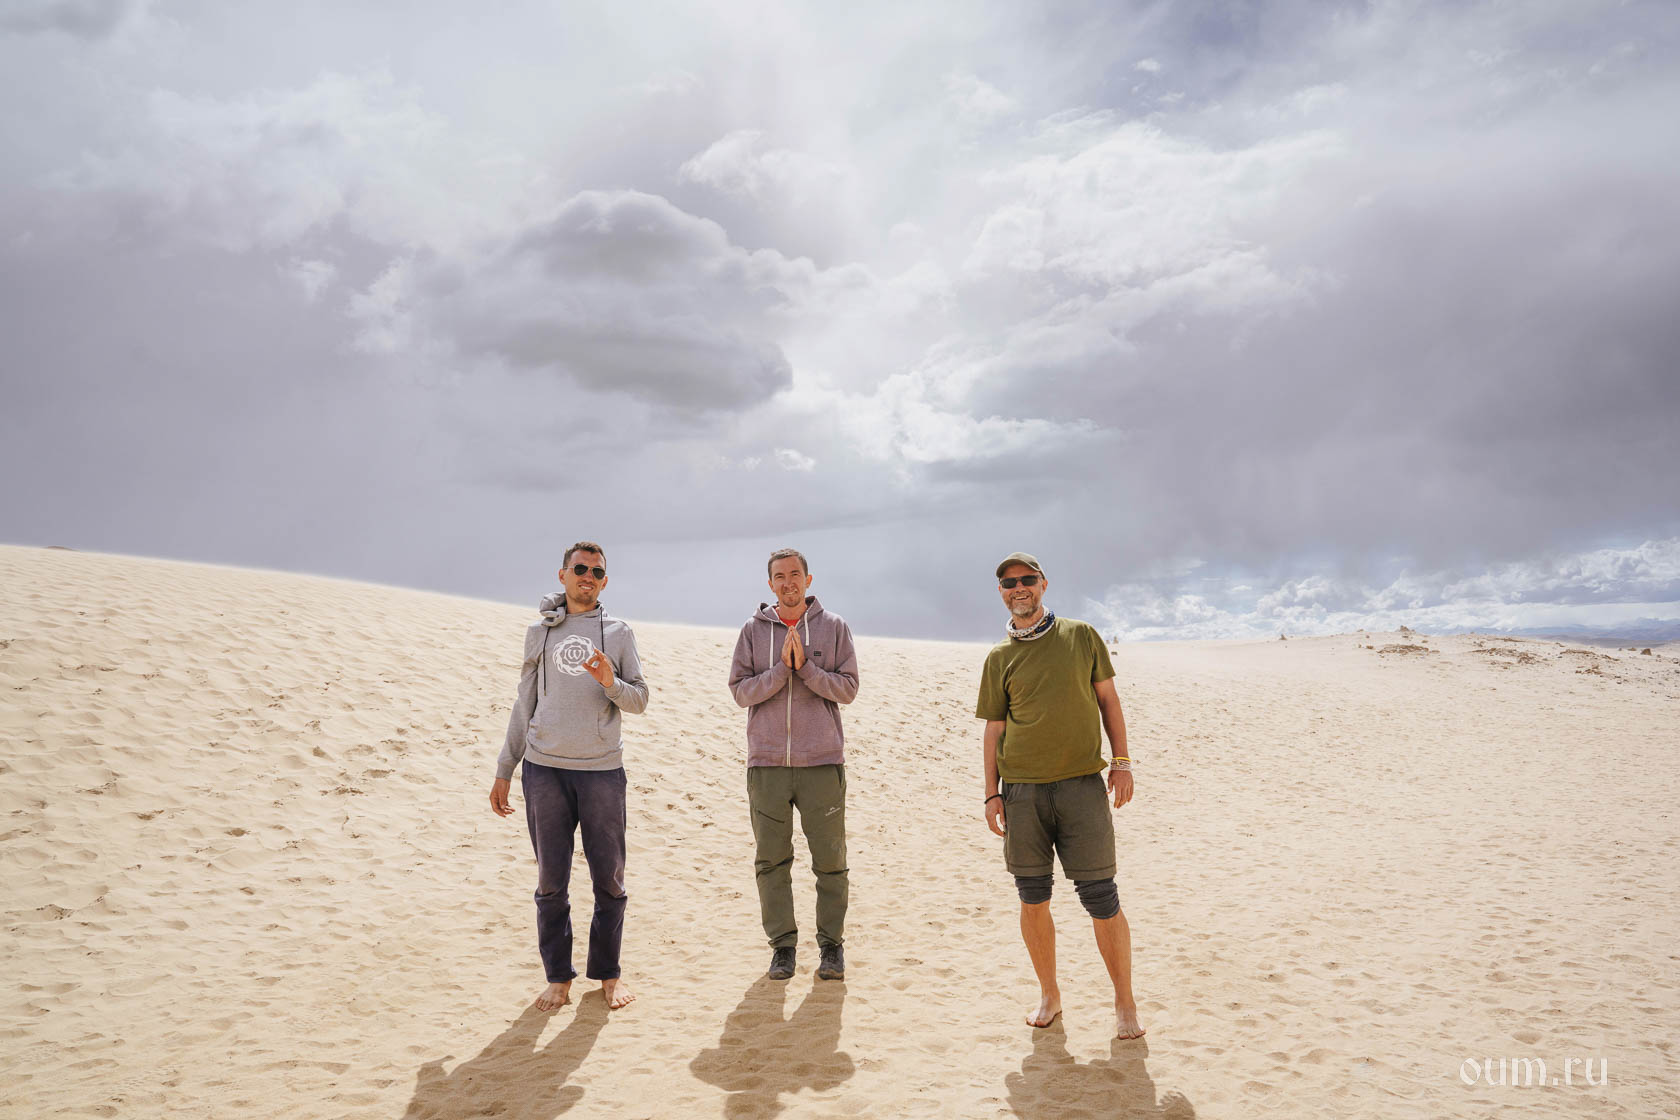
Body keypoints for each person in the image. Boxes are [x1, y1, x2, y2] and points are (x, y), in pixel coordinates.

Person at [976, 552, 1144, 1039]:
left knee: (1101, 897)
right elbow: (994, 730)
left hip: (1081, 788)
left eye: (1027, 579)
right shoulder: (999, 658)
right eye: (1009, 582)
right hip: (1022, 794)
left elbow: (1108, 700)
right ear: (1001, 592)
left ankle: (1125, 1002)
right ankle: (1049, 994)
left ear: (1044, 584)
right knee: (1032, 897)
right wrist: (991, 795)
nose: (1019, 588)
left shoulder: (1082, 636)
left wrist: (1122, 762)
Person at [489, 542, 648, 1012]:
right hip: (544, 771)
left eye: (597, 572)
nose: (588, 577)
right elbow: (524, 702)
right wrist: (505, 767)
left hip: (602, 772)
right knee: (551, 883)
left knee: (610, 881)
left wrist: (609, 682)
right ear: (562, 575)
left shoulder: (618, 633)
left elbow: (640, 700)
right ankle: (558, 978)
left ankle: (609, 975)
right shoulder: (539, 633)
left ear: (604, 581)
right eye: (580, 568)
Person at [728, 547, 860, 982]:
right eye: (780, 576)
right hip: (766, 765)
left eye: (795, 574)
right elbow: (741, 692)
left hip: (822, 763)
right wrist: (781, 672)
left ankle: (831, 947)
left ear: (808, 579)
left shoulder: (834, 627)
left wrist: (806, 670)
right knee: (772, 861)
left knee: (831, 861)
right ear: (771, 584)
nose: (788, 583)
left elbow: (848, 689)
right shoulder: (753, 630)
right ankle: (782, 948)